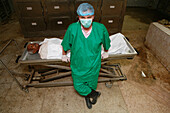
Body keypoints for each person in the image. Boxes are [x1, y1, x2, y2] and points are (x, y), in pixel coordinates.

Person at [61, 3, 111, 109]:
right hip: (78, 64)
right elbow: (65, 44)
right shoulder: (72, 28)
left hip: (93, 64)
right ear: (78, 17)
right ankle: (93, 94)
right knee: (78, 85)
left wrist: (106, 51)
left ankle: (88, 95)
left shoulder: (100, 28)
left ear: (93, 16)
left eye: (89, 17)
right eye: (83, 17)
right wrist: (64, 54)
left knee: (92, 83)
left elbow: (106, 42)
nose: (86, 20)